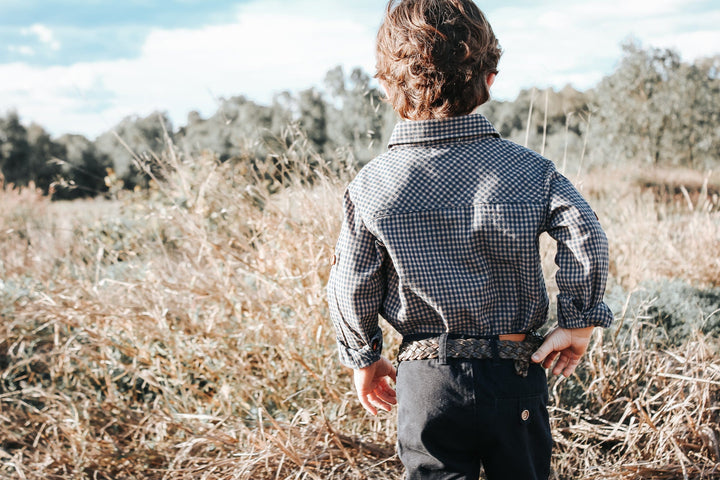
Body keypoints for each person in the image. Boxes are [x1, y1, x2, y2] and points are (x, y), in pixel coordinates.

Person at [325, 0, 613, 478]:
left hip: (426, 381)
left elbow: (349, 283)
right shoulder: (531, 170)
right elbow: (586, 234)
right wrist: (578, 320)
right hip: (515, 371)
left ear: (387, 85)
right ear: (490, 79)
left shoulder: (371, 184)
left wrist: (364, 356)